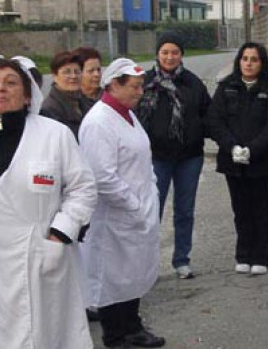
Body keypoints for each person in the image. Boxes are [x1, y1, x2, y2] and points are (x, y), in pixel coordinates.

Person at [0, 58, 97, 348]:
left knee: (46, 334)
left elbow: (83, 189)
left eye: (11, 82)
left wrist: (60, 235)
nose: (1, 88)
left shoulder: (54, 135)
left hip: (42, 259)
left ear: (27, 95)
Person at [78, 58, 165, 348]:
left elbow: (143, 157)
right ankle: (115, 335)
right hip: (114, 217)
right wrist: (134, 205)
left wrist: (150, 192)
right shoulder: (99, 122)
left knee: (133, 272)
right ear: (113, 85)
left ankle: (133, 326)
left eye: (141, 86)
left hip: (137, 210)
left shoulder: (127, 113)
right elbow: (102, 176)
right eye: (135, 87)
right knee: (112, 277)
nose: (140, 92)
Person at [207, 43, 268, 276]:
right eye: (245, 58)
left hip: (263, 161)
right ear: (239, 61)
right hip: (233, 161)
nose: (249, 63)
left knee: (262, 210)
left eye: (254, 59)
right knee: (241, 210)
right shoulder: (226, 87)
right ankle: (244, 255)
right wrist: (232, 146)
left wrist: (252, 150)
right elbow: (214, 120)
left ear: (262, 62)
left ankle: (262, 256)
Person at [136, 33, 212, 279]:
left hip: (189, 157)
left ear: (182, 55)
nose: (170, 57)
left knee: (184, 211)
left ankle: (182, 260)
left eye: (175, 52)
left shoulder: (193, 83)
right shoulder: (145, 82)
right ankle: (148, 265)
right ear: (157, 54)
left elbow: (208, 115)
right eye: (165, 52)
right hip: (156, 158)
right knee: (152, 212)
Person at [41, 50, 92, 137]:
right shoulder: (49, 110)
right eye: (67, 72)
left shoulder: (86, 102)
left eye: (77, 72)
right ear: (54, 76)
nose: (73, 76)